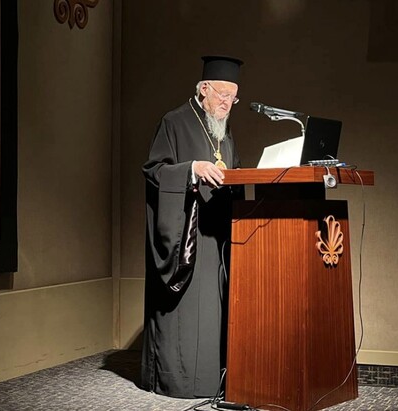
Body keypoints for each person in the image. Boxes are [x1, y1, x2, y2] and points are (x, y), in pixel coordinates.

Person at [141, 55, 244, 399]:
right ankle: (177, 379)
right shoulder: (174, 122)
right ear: (203, 89)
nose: (227, 104)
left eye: (233, 97)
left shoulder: (224, 131)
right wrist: (191, 170)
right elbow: (154, 171)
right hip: (188, 233)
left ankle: (215, 378)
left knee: (215, 312)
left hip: (218, 234)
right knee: (187, 315)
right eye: (222, 95)